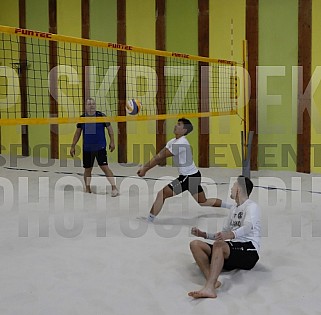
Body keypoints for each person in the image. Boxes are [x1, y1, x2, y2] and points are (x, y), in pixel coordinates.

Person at [137, 118, 226, 222]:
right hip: (194, 175)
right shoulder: (173, 141)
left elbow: (160, 157)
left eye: (179, 124)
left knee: (162, 194)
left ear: (184, 130)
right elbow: (159, 156)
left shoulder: (181, 143)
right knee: (203, 202)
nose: (176, 125)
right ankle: (232, 206)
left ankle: (149, 220)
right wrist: (145, 168)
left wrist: (145, 169)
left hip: (188, 178)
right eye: (176, 123)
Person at [188, 175, 261, 299]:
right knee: (195, 244)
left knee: (219, 245)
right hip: (231, 251)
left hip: (249, 251)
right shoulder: (233, 209)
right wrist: (204, 235)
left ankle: (209, 288)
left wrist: (230, 235)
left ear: (239, 189)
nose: (231, 188)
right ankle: (212, 281)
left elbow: (248, 227)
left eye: (233, 186)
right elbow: (222, 235)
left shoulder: (251, 206)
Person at [70, 97, 119, 196]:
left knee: (105, 167)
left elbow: (110, 129)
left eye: (93, 104)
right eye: (89, 104)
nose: (91, 105)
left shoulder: (101, 116)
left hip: (100, 148)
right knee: (88, 169)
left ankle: (114, 188)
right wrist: (73, 146)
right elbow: (77, 133)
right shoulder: (82, 118)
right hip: (87, 149)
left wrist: (112, 142)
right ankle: (87, 189)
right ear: (86, 106)